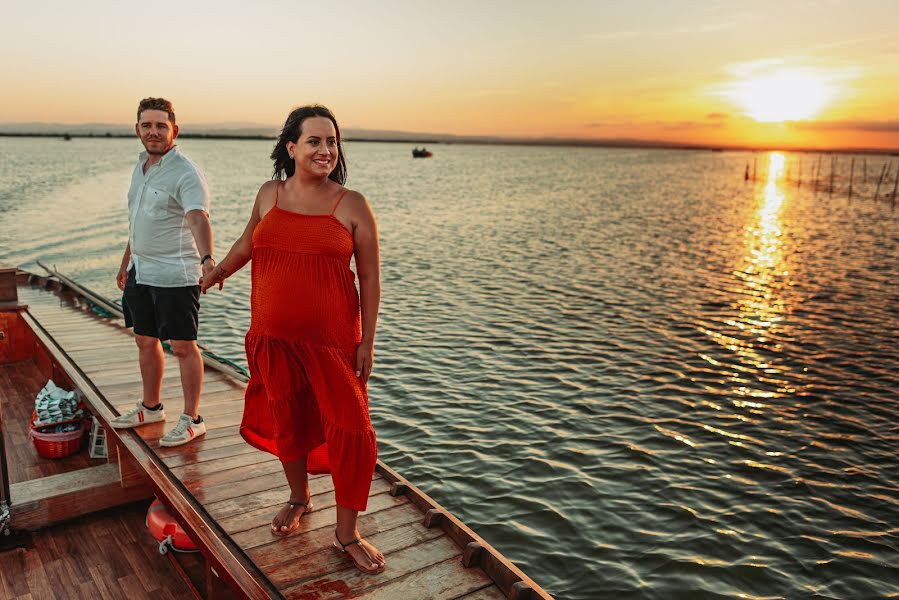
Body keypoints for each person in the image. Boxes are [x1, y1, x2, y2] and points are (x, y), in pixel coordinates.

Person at [201, 104, 385, 574]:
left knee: (352, 430)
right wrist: (217, 272)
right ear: (291, 147)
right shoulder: (269, 194)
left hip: (333, 344)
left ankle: (347, 534)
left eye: (332, 142)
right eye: (315, 141)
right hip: (273, 336)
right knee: (289, 420)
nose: (326, 150)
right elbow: (248, 243)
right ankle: (299, 498)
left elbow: (370, 279)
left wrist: (367, 343)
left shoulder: (352, 204)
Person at [112, 97, 215, 448]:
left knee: (184, 347)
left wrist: (207, 260)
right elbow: (137, 219)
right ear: (137, 129)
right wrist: (126, 261)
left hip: (176, 275)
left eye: (160, 125)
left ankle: (192, 419)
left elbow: (198, 217)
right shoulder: (139, 167)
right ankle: (151, 408)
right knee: (145, 340)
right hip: (142, 271)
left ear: (175, 130)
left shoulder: (185, 172)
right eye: (147, 125)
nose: (153, 132)